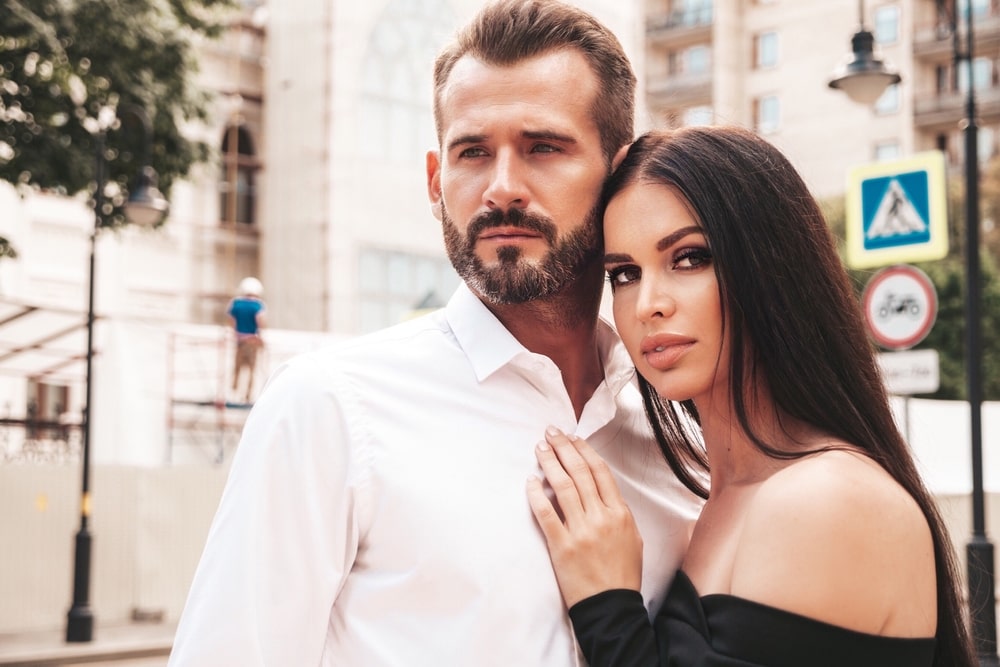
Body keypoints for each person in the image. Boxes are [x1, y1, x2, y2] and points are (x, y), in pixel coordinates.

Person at [168, 2, 703, 665]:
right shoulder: (330, 410)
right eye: (473, 152)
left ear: (618, 175)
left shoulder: (681, 439)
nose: (502, 188)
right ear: (435, 179)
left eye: (543, 147)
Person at [526, 126, 976, 667]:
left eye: (689, 258)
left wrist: (608, 609)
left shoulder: (826, 498)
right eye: (624, 273)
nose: (647, 304)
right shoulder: (717, 498)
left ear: (771, 266)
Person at [227, 276, 266, 403]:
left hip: (239, 340)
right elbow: (260, 322)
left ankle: (234, 391)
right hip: (252, 341)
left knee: (237, 367)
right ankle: (247, 396)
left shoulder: (236, 303)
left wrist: (235, 333)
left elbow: (231, 321)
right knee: (251, 369)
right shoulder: (257, 305)